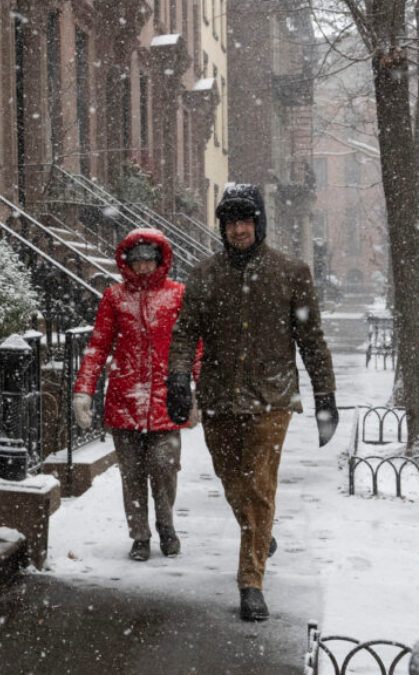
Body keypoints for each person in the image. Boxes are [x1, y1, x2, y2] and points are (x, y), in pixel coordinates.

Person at [165, 183, 337, 622]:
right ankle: (259, 533)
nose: (238, 230)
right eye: (230, 222)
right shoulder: (205, 274)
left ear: (259, 224)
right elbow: (185, 331)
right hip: (220, 396)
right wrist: (179, 378)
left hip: (271, 398)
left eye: (245, 221)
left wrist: (325, 397)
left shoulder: (290, 272)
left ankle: (251, 580)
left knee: (259, 486)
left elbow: (311, 340)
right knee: (232, 481)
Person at [72, 228, 200, 563]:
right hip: (124, 399)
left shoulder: (178, 296)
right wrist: (83, 390)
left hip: (167, 400)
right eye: (137, 261)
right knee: (132, 474)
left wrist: (198, 391)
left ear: (160, 261)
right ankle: (140, 535)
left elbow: (194, 348)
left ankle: (166, 525)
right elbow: (98, 346)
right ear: (128, 262)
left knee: (165, 467)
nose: (143, 267)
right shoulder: (114, 298)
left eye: (149, 261)